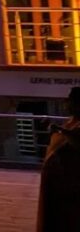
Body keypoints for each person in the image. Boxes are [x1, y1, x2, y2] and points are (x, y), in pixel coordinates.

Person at [36, 86, 80, 231]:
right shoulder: (71, 122)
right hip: (57, 187)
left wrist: (60, 131)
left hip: (71, 190)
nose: (66, 104)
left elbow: (76, 141)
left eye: (70, 101)